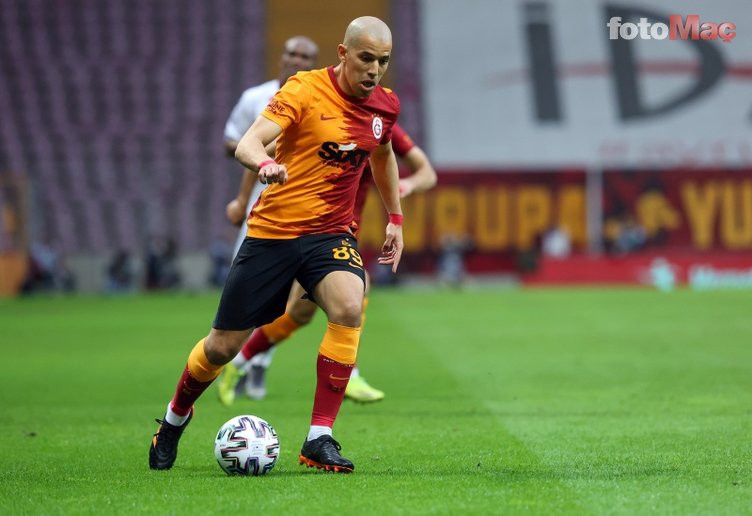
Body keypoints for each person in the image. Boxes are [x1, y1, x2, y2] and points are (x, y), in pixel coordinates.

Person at [149, 16, 403, 474]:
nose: (374, 69)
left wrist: (396, 218)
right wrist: (264, 164)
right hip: (273, 233)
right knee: (221, 348)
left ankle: (319, 438)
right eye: (366, 58)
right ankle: (173, 421)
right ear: (343, 53)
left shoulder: (384, 106)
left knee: (350, 304)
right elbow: (249, 142)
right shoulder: (304, 89)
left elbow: (382, 156)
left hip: (330, 233)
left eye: (383, 61)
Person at [217, 121, 436, 406]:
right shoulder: (320, 114)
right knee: (359, 287)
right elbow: (260, 148)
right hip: (304, 229)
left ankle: (240, 362)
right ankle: (350, 374)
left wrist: (405, 184)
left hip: (342, 231)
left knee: (300, 313)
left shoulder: (379, 123)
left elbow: (427, 173)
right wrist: (254, 181)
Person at [223, 36, 319, 398]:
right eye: (292, 53)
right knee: (244, 288)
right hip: (259, 206)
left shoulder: (316, 100)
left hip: (299, 208)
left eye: (305, 56)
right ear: (282, 57)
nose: (296, 59)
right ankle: (238, 356)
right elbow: (232, 140)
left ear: (312, 63)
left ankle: (258, 360)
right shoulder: (255, 98)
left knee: (288, 296)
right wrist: (255, 149)